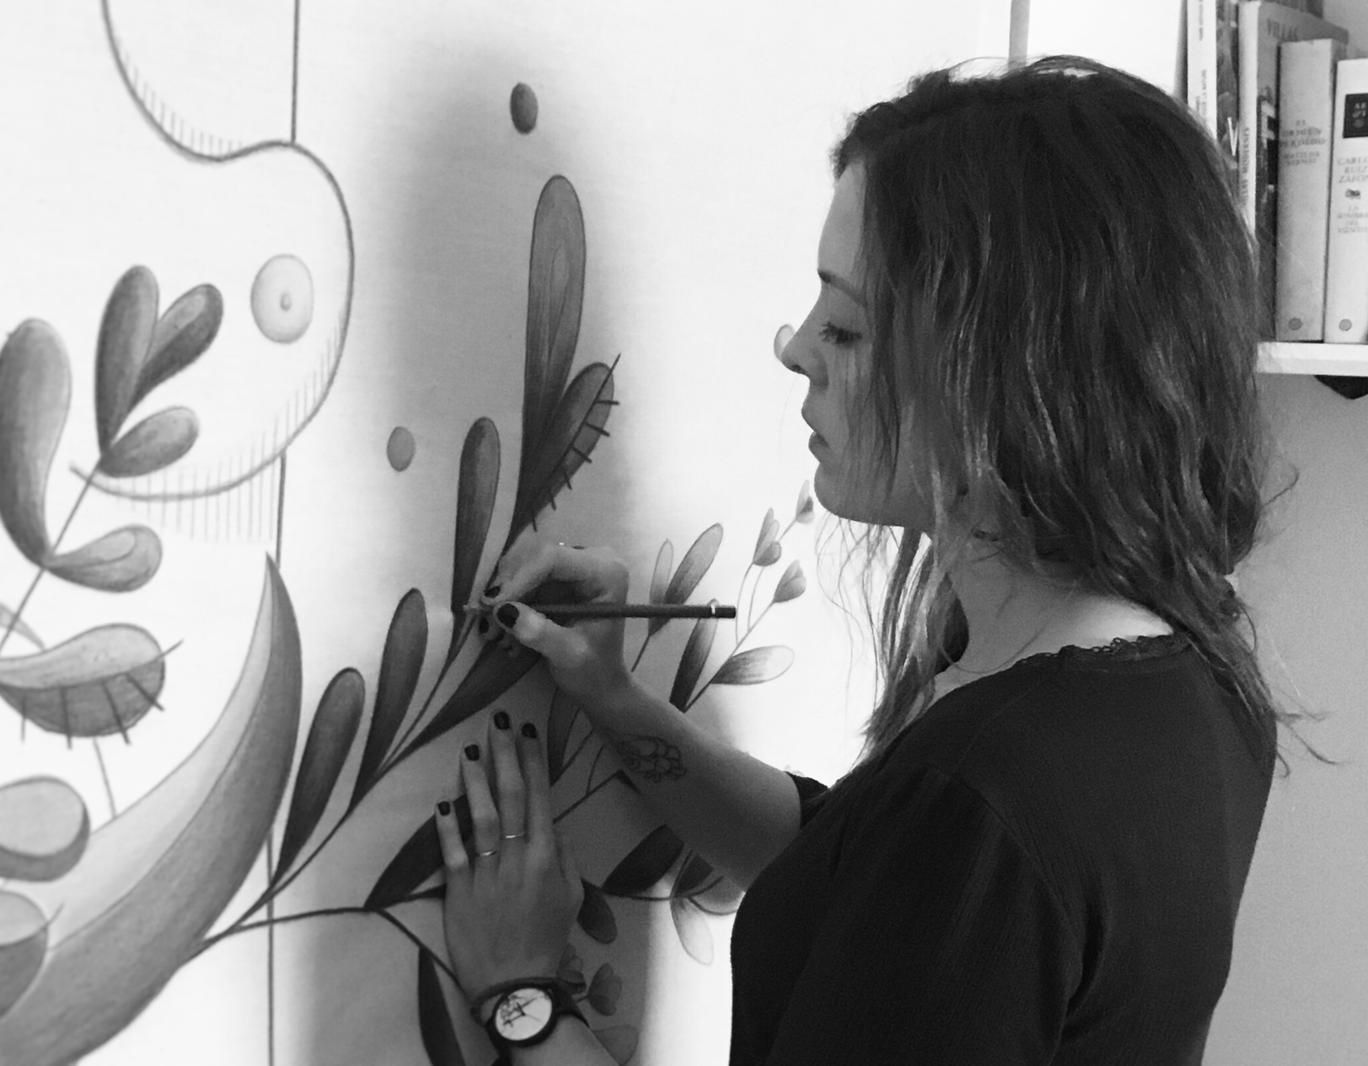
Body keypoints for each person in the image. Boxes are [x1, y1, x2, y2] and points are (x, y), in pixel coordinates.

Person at [432, 54, 1320, 1064]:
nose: (796, 347)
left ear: (1006, 373)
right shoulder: (1193, 678)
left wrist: (520, 994)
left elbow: (927, 879)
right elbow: (858, 890)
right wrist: (615, 700)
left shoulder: (983, 798)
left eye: (848, 326)